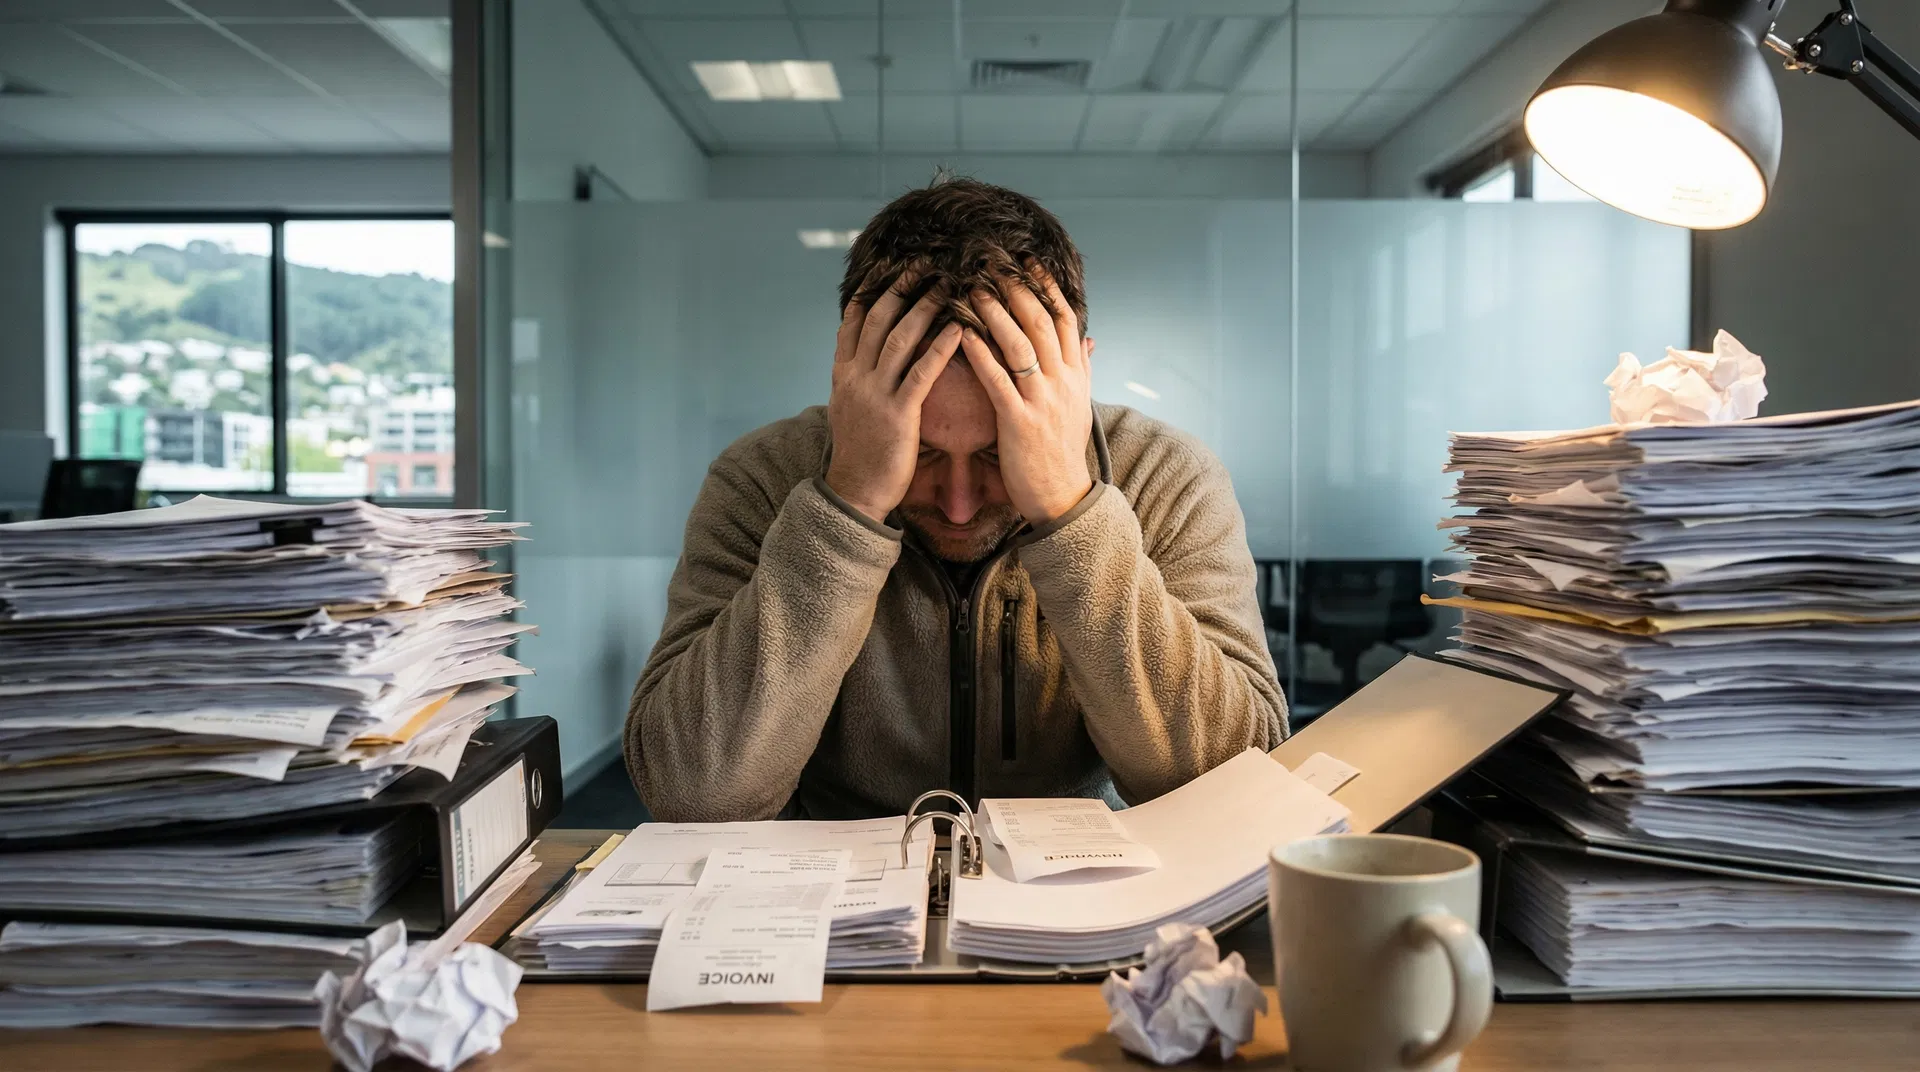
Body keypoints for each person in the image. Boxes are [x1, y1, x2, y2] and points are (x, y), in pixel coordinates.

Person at [626, 178, 1285, 822]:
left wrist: (1067, 506)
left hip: (1080, 884)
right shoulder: (760, 478)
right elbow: (695, 793)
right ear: (851, 382)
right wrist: (848, 502)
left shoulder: (1167, 476)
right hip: (830, 887)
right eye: (922, 452)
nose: (961, 505)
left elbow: (1235, 781)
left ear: (1075, 381)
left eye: (1001, 452)